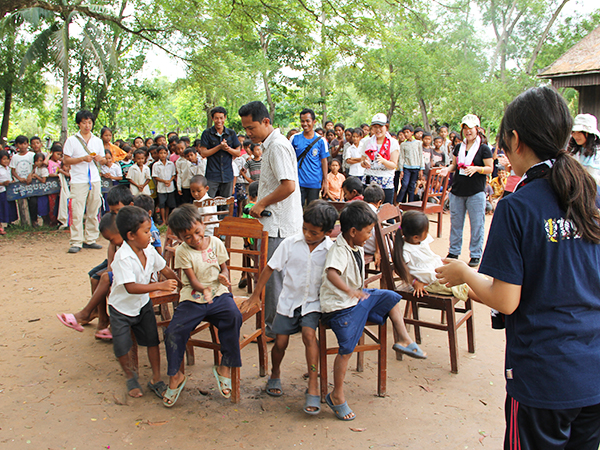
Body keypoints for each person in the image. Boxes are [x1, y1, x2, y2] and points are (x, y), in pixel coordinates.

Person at [436, 86, 600, 450]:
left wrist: (463, 274)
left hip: (544, 376)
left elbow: (506, 300)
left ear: (514, 139)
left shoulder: (517, 206)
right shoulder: (592, 194)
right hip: (593, 370)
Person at [320, 201, 425, 421]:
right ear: (353, 231)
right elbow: (331, 273)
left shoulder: (355, 245)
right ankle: (336, 395)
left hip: (357, 299)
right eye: (368, 232)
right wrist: (349, 290)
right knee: (346, 349)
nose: (369, 236)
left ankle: (404, 339)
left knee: (391, 297)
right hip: (340, 308)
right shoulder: (338, 249)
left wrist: (356, 291)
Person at [246, 200, 337, 414]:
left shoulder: (330, 249)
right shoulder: (289, 243)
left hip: (313, 303)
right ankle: (275, 373)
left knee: (308, 335)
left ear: (327, 232)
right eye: (304, 229)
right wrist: (255, 296)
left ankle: (313, 386)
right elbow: (269, 269)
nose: (307, 234)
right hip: (288, 302)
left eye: (314, 232)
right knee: (280, 342)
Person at [163, 204, 242, 407]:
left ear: (203, 223)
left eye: (197, 232)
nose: (195, 239)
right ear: (180, 238)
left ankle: (225, 366)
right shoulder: (182, 251)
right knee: (173, 331)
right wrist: (203, 290)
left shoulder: (215, 243)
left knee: (233, 316)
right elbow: (192, 280)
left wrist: (224, 277)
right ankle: (175, 375)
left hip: (218, 294)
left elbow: (224, 268)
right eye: (187, 237)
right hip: (193, 297)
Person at [239, 100, 303, 338]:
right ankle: (284, 323)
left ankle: (274, 330)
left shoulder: (277, 146)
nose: (248, 133)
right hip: (277, 223)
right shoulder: (271, 145)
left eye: (251, 128)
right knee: (280, 276)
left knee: (274, 277)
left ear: (266, 122)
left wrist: (261, 203)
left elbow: (288, 186)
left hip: (278, 225)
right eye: (245, 129)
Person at [108, 205, 178, 398]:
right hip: (121, 309)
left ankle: (156, 378)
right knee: (122, 346)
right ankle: (130, 376)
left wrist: (181, 283)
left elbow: (165, 269)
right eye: (146, 232)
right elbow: (131, 287)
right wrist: (160, 287)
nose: (151, 235)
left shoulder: (148, 251)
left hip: (142, 304)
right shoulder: (123, 257)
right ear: (131, 235)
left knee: (152, 340)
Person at [439, 114, 493, 267]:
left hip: (476, 191)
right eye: (465, 128)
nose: (468, 131)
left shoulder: (483, 149)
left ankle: (475, 254)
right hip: (458, 190)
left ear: (477, 129)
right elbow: (454, 165)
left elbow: (490, 168)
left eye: (471, 128)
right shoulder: (459, 147)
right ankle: (454, 251)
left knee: (477, 224)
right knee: (456, 223)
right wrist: (446, 170)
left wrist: (477, 168)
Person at [393, 210, 470, 300]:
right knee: (467, 287)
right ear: (416, 237)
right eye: (426, 231)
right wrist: (415, 283)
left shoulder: (420, 241)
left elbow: (428, 258)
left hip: (438, 274)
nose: (428, 233)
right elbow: (400, 271)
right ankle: (490, 301)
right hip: (431, 282)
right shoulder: (405, 251)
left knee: (469, 277)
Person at [62, 110, 106, 253]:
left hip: (94, 178)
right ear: (79, 124)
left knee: (93, 210)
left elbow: (105, 160)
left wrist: (100, 159)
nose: (87, 125)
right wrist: (82, 159)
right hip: (78, 179)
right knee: (77, 211)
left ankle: (91, 239)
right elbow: (66, 160)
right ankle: (76, 241)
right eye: (84, 122)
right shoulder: (71, 140)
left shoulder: (97, 141)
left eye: (89, 122)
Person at [290, 108, 330, 207]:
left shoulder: (321, 140)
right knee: (297, 209)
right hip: (298, 181)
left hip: (314, 181)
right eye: (302, 121)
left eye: (308, 121)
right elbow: (289, 158)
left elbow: (324, 161)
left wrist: (325, 181)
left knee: (313, 210)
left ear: (314, 122)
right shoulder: (294, 138)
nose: (305, 124)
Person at [200, 107, 241, 199]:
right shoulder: (207, 133)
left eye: (221, 118)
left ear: (225, 118)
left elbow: (238, 153)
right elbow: (203, 153)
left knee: (226, 203)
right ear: (212, 118)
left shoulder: (231, 133)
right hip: (212, 175)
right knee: (209, 202)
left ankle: (225, 215)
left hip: (227, 174)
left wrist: (226, 148)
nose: (219, 121)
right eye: (216, 118)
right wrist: (219, 147)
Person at [358, 114, 399, 204]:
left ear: (386, 127)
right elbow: (362, 161)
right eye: (375, 127)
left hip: (385, 182)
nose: (378, 130)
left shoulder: (393, 142)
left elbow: (394, 165)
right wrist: (364, 162)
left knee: (386, 211)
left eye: (381, 127)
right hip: (369, 181)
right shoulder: (367, 142)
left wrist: (383, 161)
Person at [567, 113, 600, 185]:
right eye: (574, 132)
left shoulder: (598, 153)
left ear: (588, 133)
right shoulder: (574, 152)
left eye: (579, 132)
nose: (576, 136)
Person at [397, 125, 424, 203]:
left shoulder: (418, 143)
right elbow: (401, 157)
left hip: (416, 167)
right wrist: (401, 169)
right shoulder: (403, 145)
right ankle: (399, 201)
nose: (406, 134)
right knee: (404, 184)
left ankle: (410, 203)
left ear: (412, 133)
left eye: (407, 132)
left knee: (412, 186)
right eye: (404, 132)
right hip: (406, 167)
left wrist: (421, 168)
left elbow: (420, 155)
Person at [152, 145, 176, 225]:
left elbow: (173, 174)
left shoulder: (171, 164)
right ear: (158, 154)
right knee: (162, 204)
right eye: (161, 153)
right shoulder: (156, 165)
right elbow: (155, 176)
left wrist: (169, 181)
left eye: (164, 153)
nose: (163, 155)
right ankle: (163, 220)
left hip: (170, 187)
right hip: (161, 188)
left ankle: (167, 219)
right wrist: (164, 181)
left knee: (168, 204)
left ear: (167, 154)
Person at [0, 150, 16, 234]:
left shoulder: (8, 168)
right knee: (1, 208)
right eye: (4, 159)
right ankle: (0, 226)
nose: (6, 161)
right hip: (1, 190)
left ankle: (10, 223)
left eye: (7, 159)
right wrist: (2, 183)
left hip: (9, 191)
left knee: (9, 207)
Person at [31, 153, 50, 226]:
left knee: (44, 206)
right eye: (38, 161)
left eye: (41, 161)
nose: (39, 162)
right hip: (39, 190)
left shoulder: (44, 170)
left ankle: (46, 221)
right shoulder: (36, 169)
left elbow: (43, 180)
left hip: (44, 191)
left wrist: (36, 176)